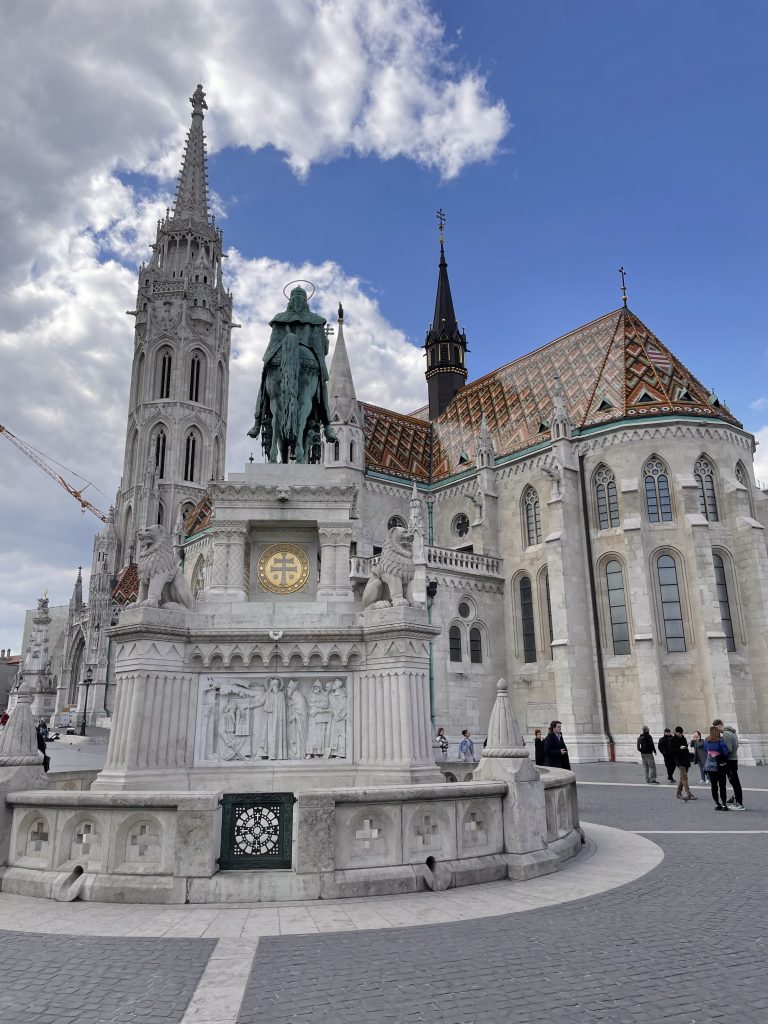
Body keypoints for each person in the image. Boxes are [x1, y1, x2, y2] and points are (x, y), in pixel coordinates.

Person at [713, 718, 745, 810]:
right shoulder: (732, 733)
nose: (717, 731)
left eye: (716, 728)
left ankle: (739, 803)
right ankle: (737, 800)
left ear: (719, 726)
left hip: (730, 760)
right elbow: (736, 746)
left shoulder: (726, 734)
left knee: (734, 781)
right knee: (734, 781)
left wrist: (719, 752)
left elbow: (728, 749)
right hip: (734, 759)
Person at [703, 724, 730, 810]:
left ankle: (717, 803)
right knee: (722, 786)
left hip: (710, 766)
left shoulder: (706, 741)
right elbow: (726, 753)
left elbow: (705, 750)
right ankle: (724, 804)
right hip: (720, 766)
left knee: (714, 786)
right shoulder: (720, 741)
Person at [672, 726, 696, 801]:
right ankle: (689, 794)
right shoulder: (672, 739)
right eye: (679, 734)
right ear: (676, 732)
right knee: (684, 777)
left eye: (681, 734)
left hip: (686, 760)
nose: (680, 735)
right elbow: (672, 750)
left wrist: (684, 747)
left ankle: (678, 793)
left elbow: (686, 745)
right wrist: (679, 748)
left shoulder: (684, 738)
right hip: (679, 761)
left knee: (682, 778)